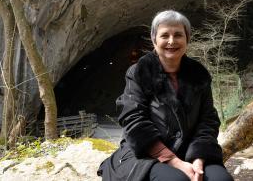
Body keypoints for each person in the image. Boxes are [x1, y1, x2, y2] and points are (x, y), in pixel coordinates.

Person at [98, 10, 233, 181]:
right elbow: (134, 120)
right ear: (154, 40)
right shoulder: (140, 72)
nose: (171, 41)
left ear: (187, 39)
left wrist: (198, 158)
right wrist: (176, 162)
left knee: (221, 179)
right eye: (164, 35)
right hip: (147, 152)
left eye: (178, 35)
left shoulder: (199, 74)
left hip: (191, 149)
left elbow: (208, 120)